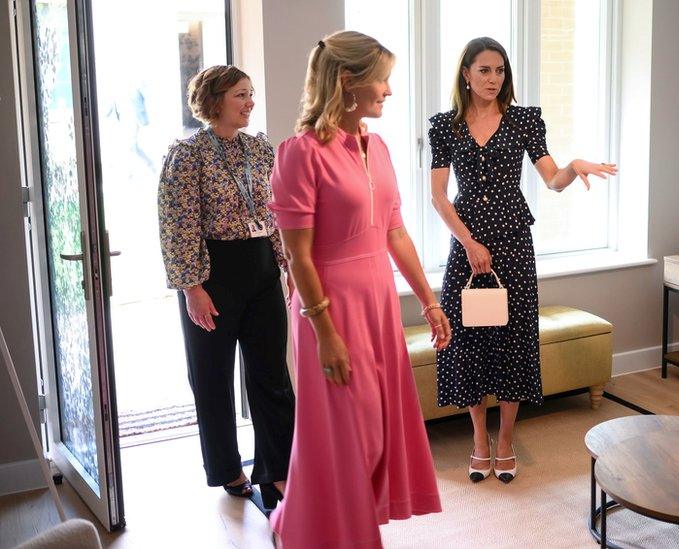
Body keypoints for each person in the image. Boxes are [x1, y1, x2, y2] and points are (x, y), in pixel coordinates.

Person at [268, 31, 447, 548]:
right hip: (330, 308)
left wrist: (430, 301)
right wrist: (323, 330)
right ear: (347, 82)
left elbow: (395, 232)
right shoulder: (300, 153)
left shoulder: (379, 147)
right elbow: (298, 255)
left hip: (378, 302)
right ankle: (329, 534)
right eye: (382, 78)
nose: (389, 90)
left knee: (377, 430)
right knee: (349, 433)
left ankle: (297, 521)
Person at [428, 37, 617, 483]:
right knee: (468, 339)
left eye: (500, 71)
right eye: (485, 70)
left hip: (513, 245)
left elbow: (552, 180)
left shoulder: (524, 120)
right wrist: (470, 243)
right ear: (466, 74)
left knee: (514, 340)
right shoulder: (445, 126)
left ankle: (507, 440)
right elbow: (438, 196)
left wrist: (573, 166)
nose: (494, 79)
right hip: (466, 246)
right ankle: (479, 440)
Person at [157, 65, 294, 506]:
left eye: (251, 93)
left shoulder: (260, 148)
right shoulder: (188, 153)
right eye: (241, 94)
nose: (250, 101)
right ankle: (228, 469)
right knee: (212, 379)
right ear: (215, 100)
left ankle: (276, 471)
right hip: (212, 274)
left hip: (261, 269)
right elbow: (177, 225)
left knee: (272, 375)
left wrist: (285, 263)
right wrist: (192, 287)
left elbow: (273, 210)